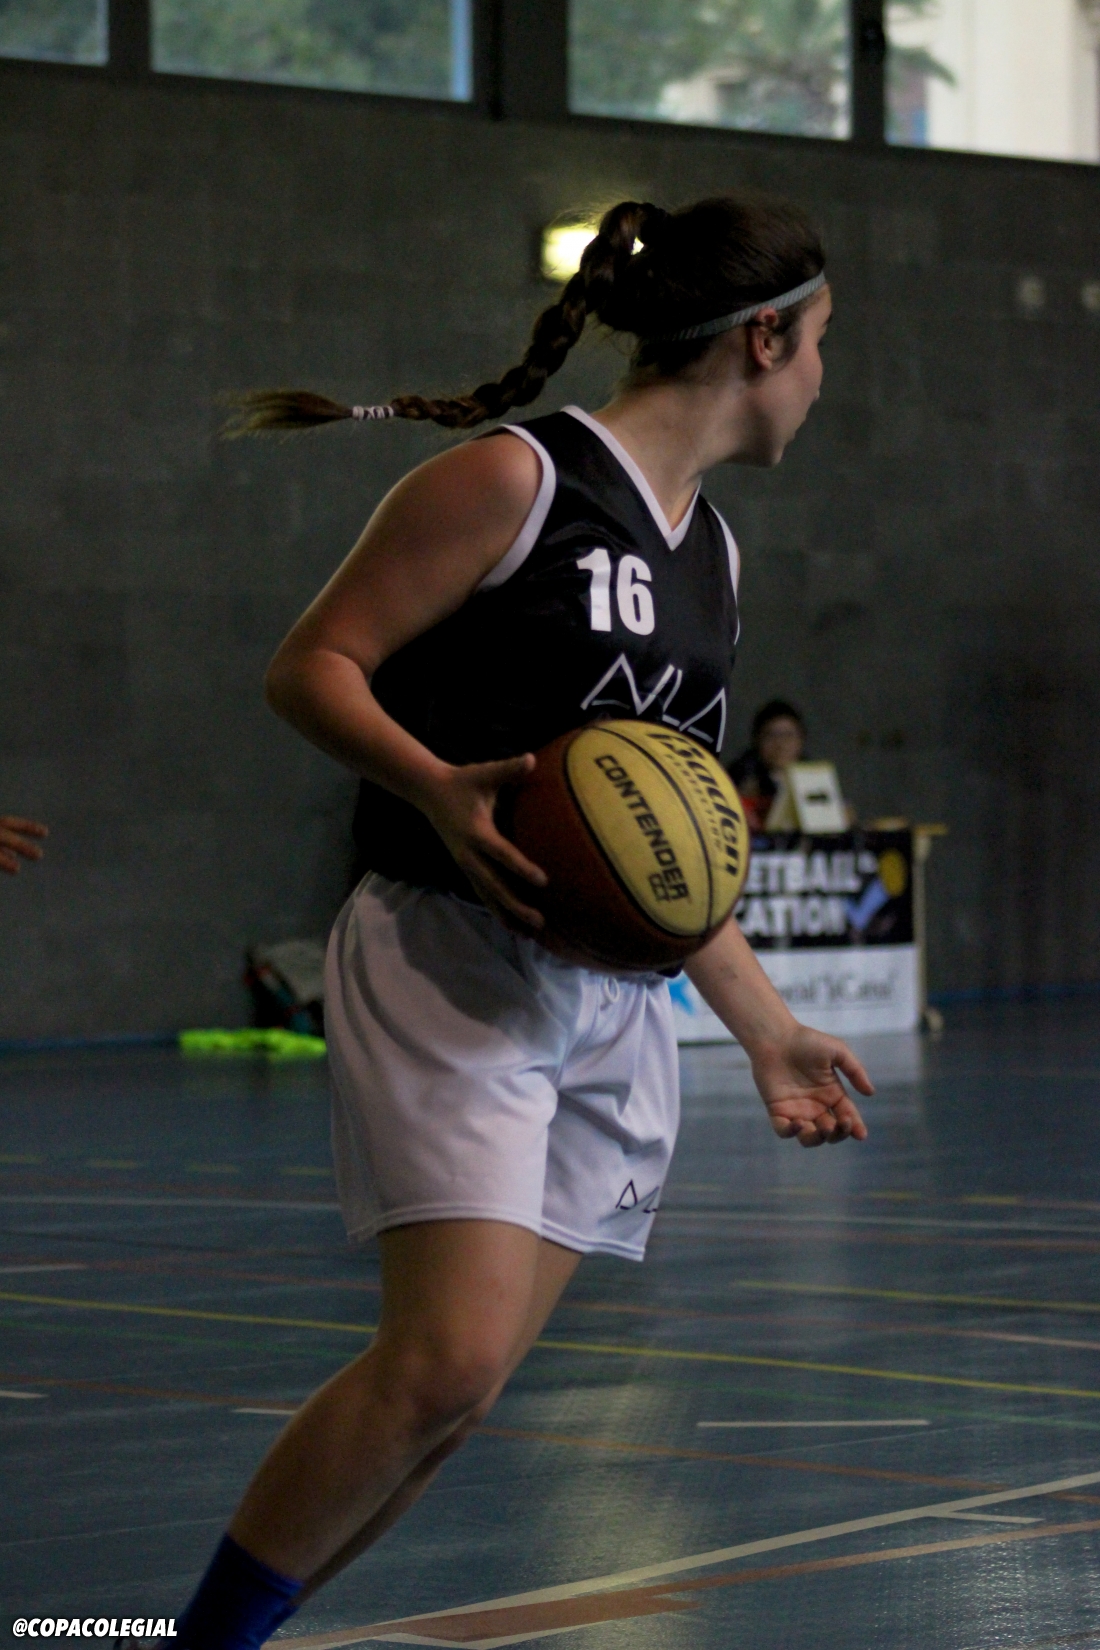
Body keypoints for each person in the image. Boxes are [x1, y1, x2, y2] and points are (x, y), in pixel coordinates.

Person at [171, 193, 874, 1650]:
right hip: (455, 959)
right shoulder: (514, 478)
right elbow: (312, 666)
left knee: (461, 1395)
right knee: (440, 1360)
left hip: (613, 1001)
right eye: (821, 344)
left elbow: (660, 855)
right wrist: (432, 784)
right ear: (763, 339)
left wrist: (767, 1030)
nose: (823, 376)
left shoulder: (713, 556)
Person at [728, 698, 806, 831]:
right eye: (772, 736)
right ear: (758, 740)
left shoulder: (812, 777)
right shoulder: (741, 777)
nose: (780, 745)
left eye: (788, 735)